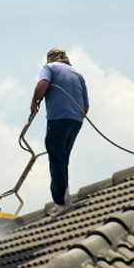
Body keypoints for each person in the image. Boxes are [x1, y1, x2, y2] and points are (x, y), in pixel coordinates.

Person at [30, 47, 89, 217]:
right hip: (76, 120)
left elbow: (42, 85)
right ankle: (63, 200)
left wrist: (34, 101)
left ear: (51, 59)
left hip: (58, 119)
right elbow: (85, 107)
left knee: (56, 159)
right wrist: (73, 119)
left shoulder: (49, 68)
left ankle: (62, 203)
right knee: (63, 159)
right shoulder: (78, 74)